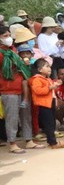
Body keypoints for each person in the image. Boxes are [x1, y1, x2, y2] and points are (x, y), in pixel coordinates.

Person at [0, 25, 35, 153]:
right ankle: (12, 143)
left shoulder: (13, 50)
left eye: (9, 35)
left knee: (26, 115)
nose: (8, 38)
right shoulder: (2, 54)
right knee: (12, 118)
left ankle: (28, 140)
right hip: (8, 89)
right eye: (5, 36)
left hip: (21, 87)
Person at [28, 58, 64, 149]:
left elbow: (52, 92)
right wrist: (50, 87)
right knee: (49, 123)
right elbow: (38, 91)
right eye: (47, 66)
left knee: (52, 122)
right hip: (44, 104)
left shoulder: (47, 79)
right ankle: (53, 143)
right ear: (40, 70)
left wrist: (56, 85)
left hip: (50, 102)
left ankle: (52, 141)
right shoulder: (36, 79)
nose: (49, 68)